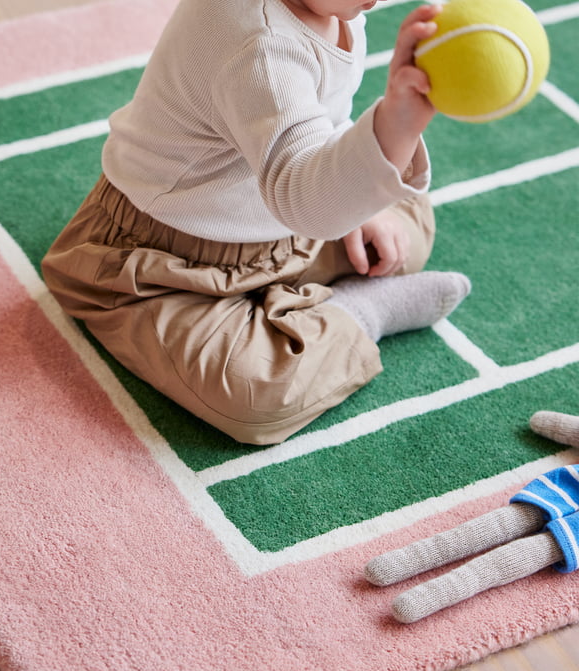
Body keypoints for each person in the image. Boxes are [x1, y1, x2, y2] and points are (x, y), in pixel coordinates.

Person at [41, 0, 471, 445]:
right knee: (254, 397)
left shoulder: (331, 9)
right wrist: (396, 126)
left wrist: (365, 209)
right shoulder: (258, 42)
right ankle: (361, 311)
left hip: (287, 227)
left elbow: (320, 123)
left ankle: (296, 303)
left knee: (406, 226)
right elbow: (307, 201)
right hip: (166, 264)